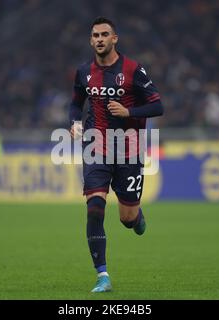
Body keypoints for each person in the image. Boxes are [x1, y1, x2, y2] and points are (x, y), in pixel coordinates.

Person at [69, 17, 164, 293]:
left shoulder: (133, 70)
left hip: (129, 150)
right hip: (96, 146)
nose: (99, 39)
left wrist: (129, 112)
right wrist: (75, 122)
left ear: (114, 39)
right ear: (91, 41)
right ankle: (102, 275)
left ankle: (136, 217)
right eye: (95, 35)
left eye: (104, 34)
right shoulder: (83, 72)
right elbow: (76, 103)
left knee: (127, 218)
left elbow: (158, 106)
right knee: (94, 208)